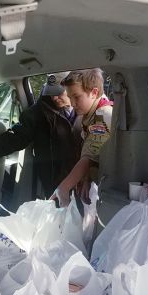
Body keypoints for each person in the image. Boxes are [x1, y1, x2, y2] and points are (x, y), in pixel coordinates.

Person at [0, 72, 82, 199]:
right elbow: (13, 138)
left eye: (59, 93)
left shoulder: (87, 110)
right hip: (55, 186)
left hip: (84, 182)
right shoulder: (37, 114)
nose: (54, 98)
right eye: (51, 93)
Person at [50, 68, 113, 207]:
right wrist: (87, 178)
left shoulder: (103, 115)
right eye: (70, 97)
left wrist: (64, 187)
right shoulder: (89, 114)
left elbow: (89, 157)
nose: (72, 103)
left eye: (77, 97)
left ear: (94, 92)